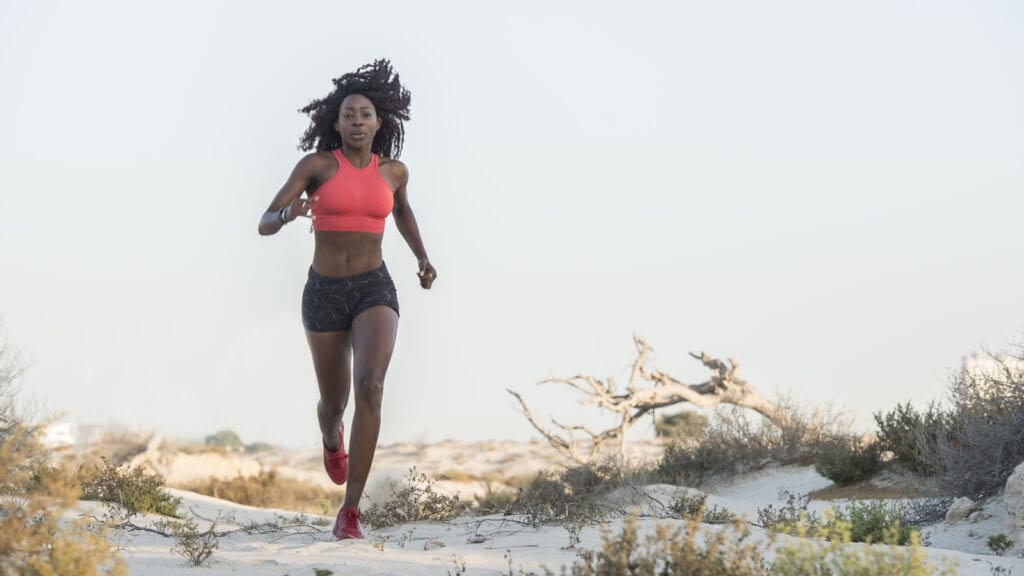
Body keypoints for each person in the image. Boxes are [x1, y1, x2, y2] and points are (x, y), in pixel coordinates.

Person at [258, 59, 435, 540]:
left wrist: (422, 257)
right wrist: (290, 213)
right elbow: (265, 220)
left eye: (366, 114)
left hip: (374, 288)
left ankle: (350, 510)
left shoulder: (393, 172)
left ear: (380, 123)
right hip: (324, 294)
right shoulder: (317, 166)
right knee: (334, 402)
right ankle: (331, 434)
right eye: (349, 115)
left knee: (371, 386)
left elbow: (402, 213)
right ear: (336, 123)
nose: (357, 121)